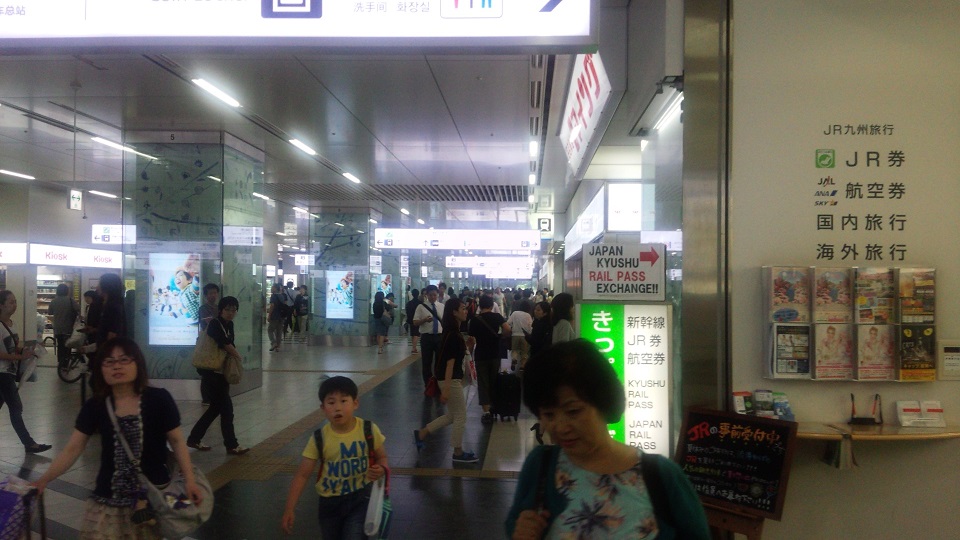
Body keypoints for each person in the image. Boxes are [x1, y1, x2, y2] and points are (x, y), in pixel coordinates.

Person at [506, 340, 710, 540]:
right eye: (548, 415)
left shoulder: (661, 476)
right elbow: (515, 524)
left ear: (603, 403)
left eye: (573, 411)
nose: (560, 427)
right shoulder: (540, 466)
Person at [33, 337, 203, 538]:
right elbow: (73, 449)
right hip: (107, 501)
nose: (117, 366)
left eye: (124, 360)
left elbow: (177, 441)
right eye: (109, 362)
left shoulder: (159, 399)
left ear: (137, 363)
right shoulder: (96, 405)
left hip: (151, 502)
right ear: (101, 369)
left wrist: (190, 480)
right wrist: (44, 479)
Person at [281, 376, 388, 539]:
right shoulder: (319, 438)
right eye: (331, 403)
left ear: (355, 403)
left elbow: (382, 457)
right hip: (329, 504)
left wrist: (381, 468)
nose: (337, 408)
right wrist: (289, 508)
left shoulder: (368, 429)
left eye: (344, 401)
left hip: (360, 498)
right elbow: (302, 475)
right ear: (323, 408)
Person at [414, 297, 479, 463]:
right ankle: (457, 452)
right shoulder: (453, 335)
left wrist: (468, 346)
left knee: (452, 416)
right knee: (461, 416)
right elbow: (450, 363)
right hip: (450, 380)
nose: (466, 311)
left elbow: (456, 356)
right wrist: (447, 389)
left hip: (448, 378)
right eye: (463, 308)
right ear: (454, 312)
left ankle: (422, 433)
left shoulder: (452, 333)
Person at [187, 296, 250, 455]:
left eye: (234, 310)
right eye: (227, 309)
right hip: (211, 372)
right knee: (227, 410)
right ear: (221, 310)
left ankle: (194, 438)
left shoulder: (229, 325)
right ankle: (231, 444)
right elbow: (223, 342)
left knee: (215, 408)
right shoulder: (215, 323)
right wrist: (237, 356)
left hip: (220, 371)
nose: (230, 313)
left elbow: (229, 342)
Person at [0, 290, 51, 454]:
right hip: (2, 373)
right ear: (1, 305)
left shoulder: (12, 324)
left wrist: (25, 351)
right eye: (11, 302)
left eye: (15, 301)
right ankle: (29, 444)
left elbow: (13, 347)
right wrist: (19, 356)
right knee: (16, 407)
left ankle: (29, 443)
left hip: (9, 371)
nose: (14, 305)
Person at [469, 295, 511, 424]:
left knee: (483, 382)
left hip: (481, 354)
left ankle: (486, 412)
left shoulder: (475, 320)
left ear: (479, 306)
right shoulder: (497, 317)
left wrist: (469, 354)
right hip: (495, 353)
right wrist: (501, 337)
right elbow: (507, 329)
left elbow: (471, 340)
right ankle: (494, 405)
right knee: (494, 380)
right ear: (492, 306)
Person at [413, 285, 444, 388]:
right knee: (426, 362)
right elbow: (415, 322)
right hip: (427, 337)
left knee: (440, 362)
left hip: (439, 337)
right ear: (426, 295)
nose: (433, 297)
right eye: (430, 295)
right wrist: (424, 320)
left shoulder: (442, 306)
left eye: (434, 295)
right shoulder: (421, 307)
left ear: (437, 294)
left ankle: (439, 383)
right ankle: (428, 384)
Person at [198, 283, 220, 407]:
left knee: (215, 370)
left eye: (215, 293)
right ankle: (206, 398)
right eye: (210, 293)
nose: (213, 295)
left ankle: (214, 395)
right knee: (207, 371)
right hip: (207, 342)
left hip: (217, 342)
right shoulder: (203, 308)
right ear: (206, 295)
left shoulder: (219, 308)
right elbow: (208, 323)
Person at [48, 283, 79, 370]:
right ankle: (66, 363)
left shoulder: (54, 301)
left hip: (58, 327)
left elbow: (50, 312)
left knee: (60, 345)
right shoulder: (70, 300)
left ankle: (60, 363)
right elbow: (78, 309)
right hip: (68, 327)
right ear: (67, 291)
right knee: (67, 346)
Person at [94, 273, 127, 354]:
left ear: (107, 286)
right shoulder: (114, 304)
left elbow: (112, 335)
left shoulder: (112, 307)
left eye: (99, 284)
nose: (97, 287)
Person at [507, 300, 533, 371]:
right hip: (525, 336)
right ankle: (522, 365)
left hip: (515, 335)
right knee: (524, 351)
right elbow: (530, 326)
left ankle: (514, 360)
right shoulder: (528, 315)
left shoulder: (515, 313)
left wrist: (512, 328)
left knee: (514, 349)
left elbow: (508, 322)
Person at [267, 283, 285, 352]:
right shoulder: (282, 296)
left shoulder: (273, 296)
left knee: (270, 330)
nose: (271, 289)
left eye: (272, 287)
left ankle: (273, 343)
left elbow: (272, 306)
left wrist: (269, 315)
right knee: (279, 331)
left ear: (275, 288)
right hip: (281, 316)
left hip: (274, 316)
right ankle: (278, 347)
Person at [405, 288, 421, 354]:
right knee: (416, 334)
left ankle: (414, 347)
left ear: (412, 294)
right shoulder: (420, 303)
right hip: (418, 319)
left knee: (413, 333)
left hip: (411, 320)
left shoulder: (409, 303)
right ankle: (414, 348)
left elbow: (407, 311)